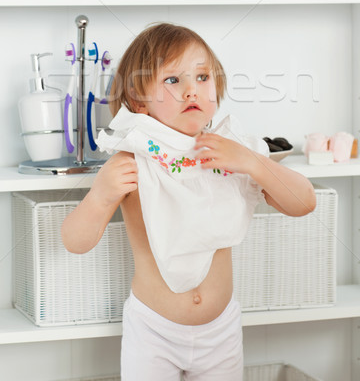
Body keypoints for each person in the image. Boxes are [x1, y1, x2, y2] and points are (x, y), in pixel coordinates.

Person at [61, 22, 316, 380]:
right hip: (153, 331)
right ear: (138, 101)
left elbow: (304, 203)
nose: (190, 91)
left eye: (201, 77)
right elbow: (74, 241)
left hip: (221, 329)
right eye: (172, 80)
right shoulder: (136, 158)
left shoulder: (234, 150)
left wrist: (254, 163)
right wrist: (101, 194)